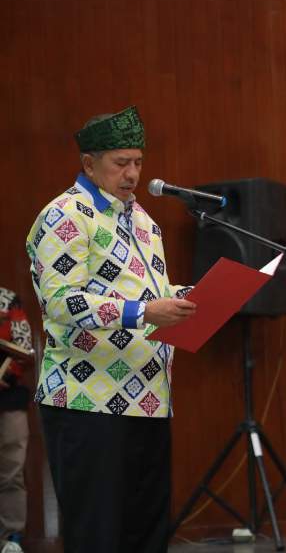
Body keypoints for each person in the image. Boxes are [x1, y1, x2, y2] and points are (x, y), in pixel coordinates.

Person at [25, 106, 197, 553]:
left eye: (138, 161)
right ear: (89, 164)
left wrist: (189, 297)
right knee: (99, 536)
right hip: (90, 400)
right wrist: (143, 313)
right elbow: (61, 301)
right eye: (120, 162)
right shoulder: (66, 215)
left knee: (147, 535)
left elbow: (148, 291)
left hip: (150, 399)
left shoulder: (144, 222)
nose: (133, 173)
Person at [0, 288, 33, 553]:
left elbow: (23, 348)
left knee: (11, 472)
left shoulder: (8, 299)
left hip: (8, 398)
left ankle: (12, 539)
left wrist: (6, 377)